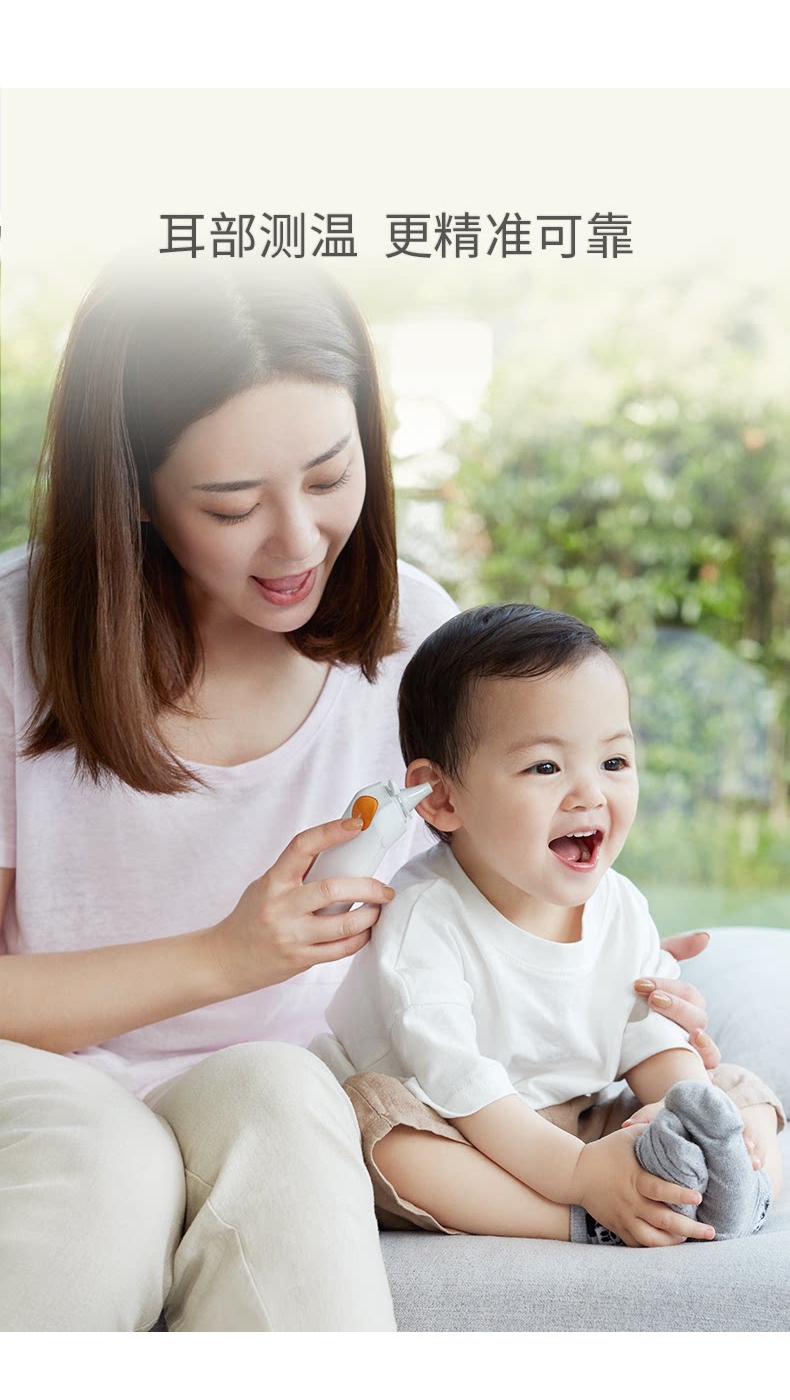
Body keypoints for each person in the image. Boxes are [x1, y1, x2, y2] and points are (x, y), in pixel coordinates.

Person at [0, 266, 725, 1332]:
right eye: (231, 504)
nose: (298, 541)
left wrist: (604, 970)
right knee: (108, 1175)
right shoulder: (16, 641)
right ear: (132, 490)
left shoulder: (413, 640)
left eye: (330, 475)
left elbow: (496, 870)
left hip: (299, 1074)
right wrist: (224, 958)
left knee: (289, 1104)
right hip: (41, 1073)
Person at [312, 604, 784, 1247]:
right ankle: (581, 1220)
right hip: (454, 1125)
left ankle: (732, 1190)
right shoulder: (425, 922)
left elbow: (652, 1037)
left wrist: (679, 1108)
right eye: (545, 767)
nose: (590, 793)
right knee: (374, 1132)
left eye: (613, 762)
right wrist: (580, 1177)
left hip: (580, 1118)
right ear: (442, 797)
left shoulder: (620, 905)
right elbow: (463, 1086)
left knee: (740, 1093)